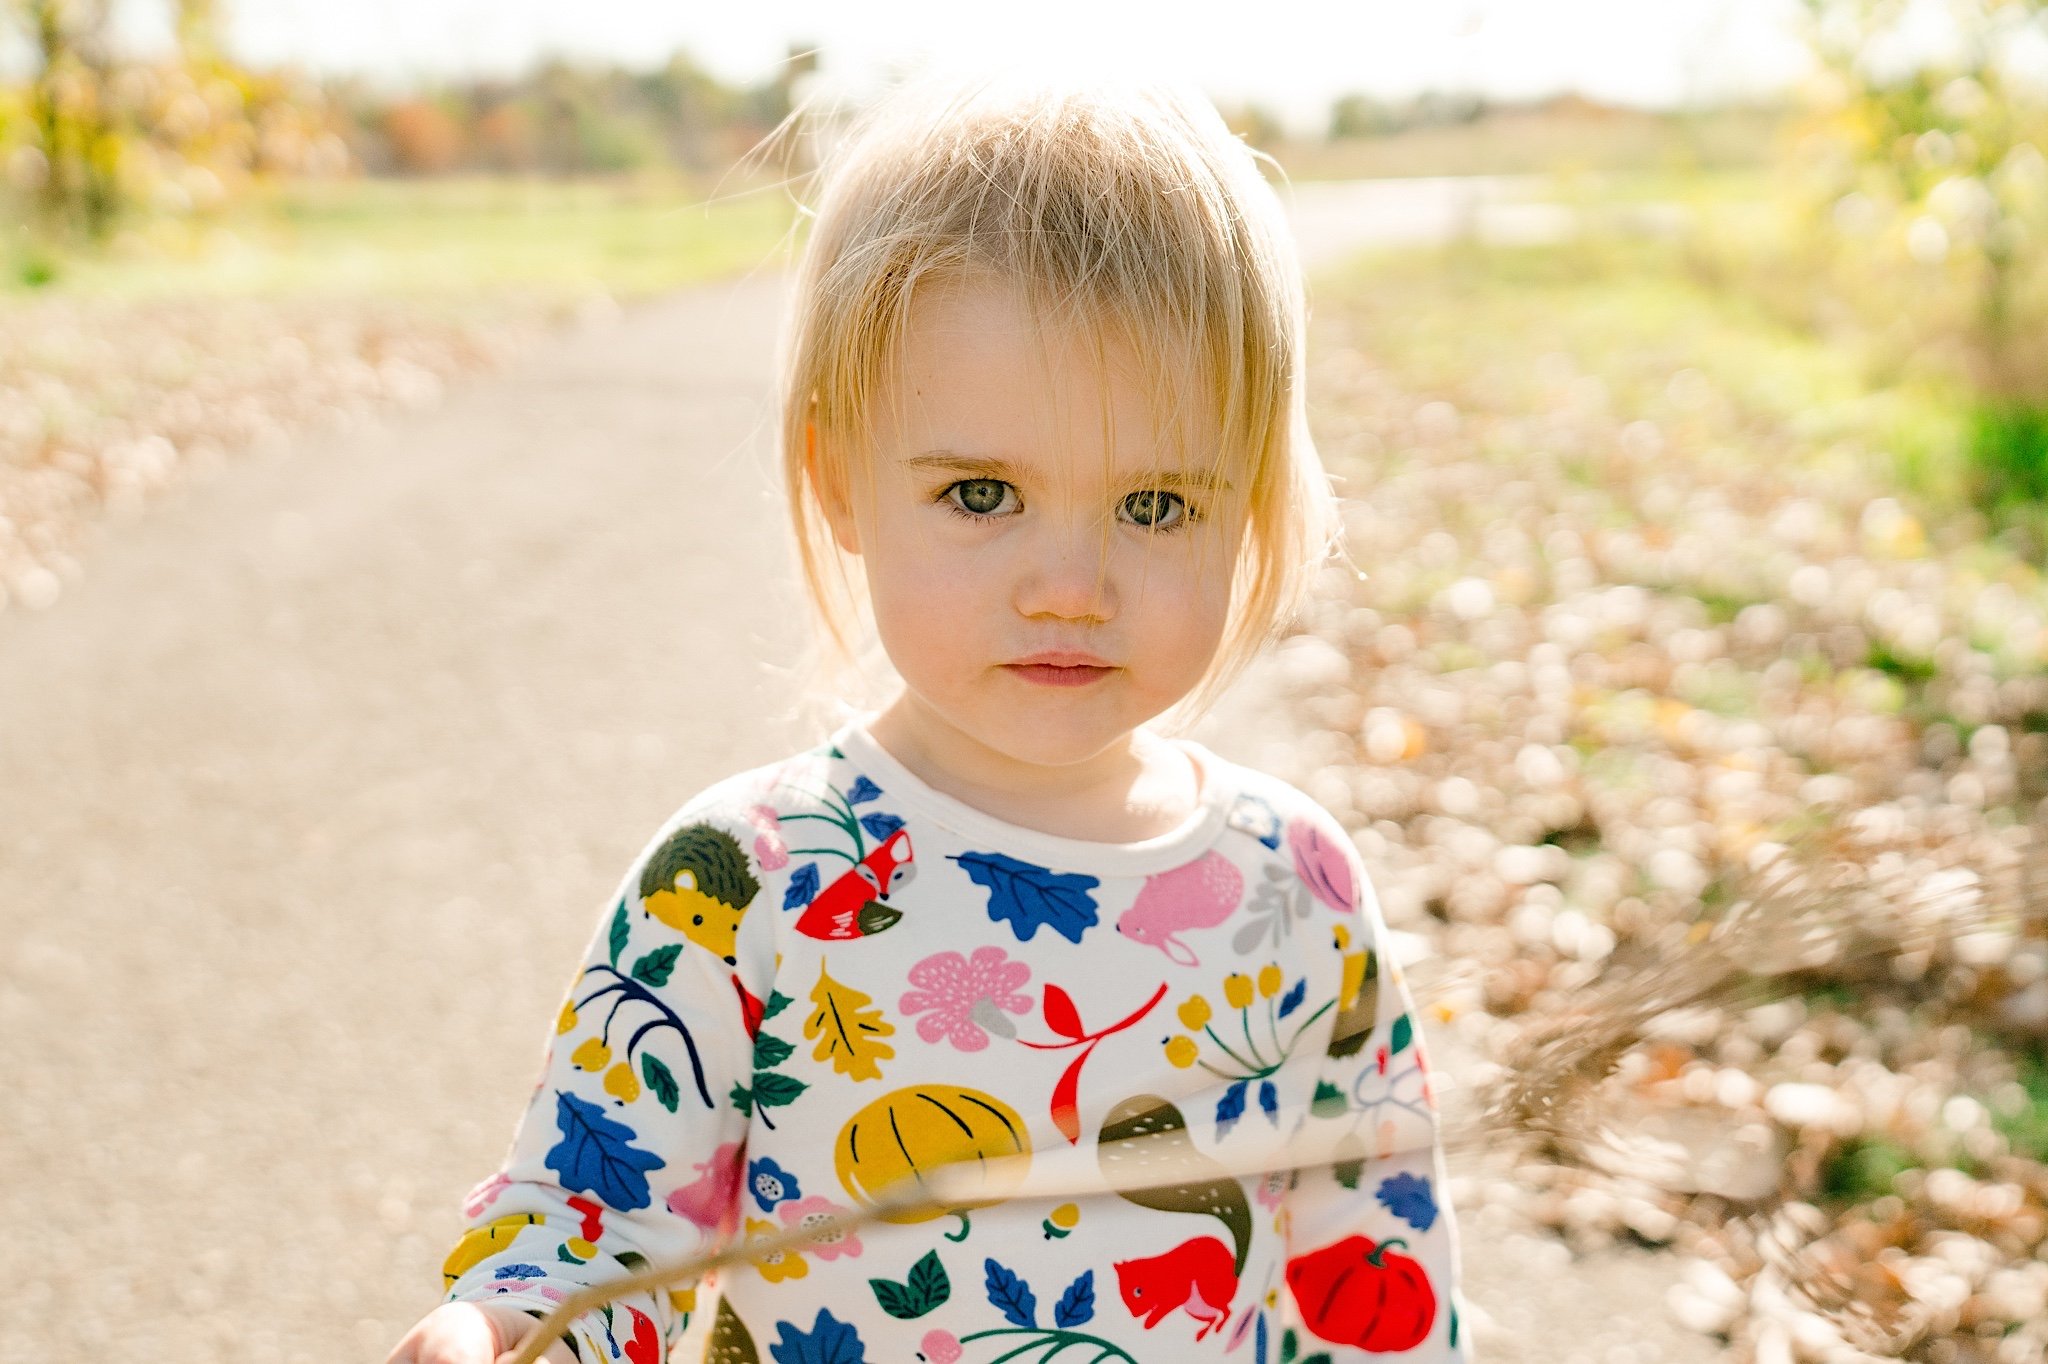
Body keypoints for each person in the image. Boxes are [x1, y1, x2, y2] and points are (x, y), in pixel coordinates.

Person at [386, 67, 1471, 1364]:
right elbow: (599, 1228)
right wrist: (503, 1330)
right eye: (980, 493)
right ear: (841, 481)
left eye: (1156, 507)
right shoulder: (753, 880)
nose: (1070, 587)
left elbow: (1373, 1273)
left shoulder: (1293, 887)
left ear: (1248, 508)